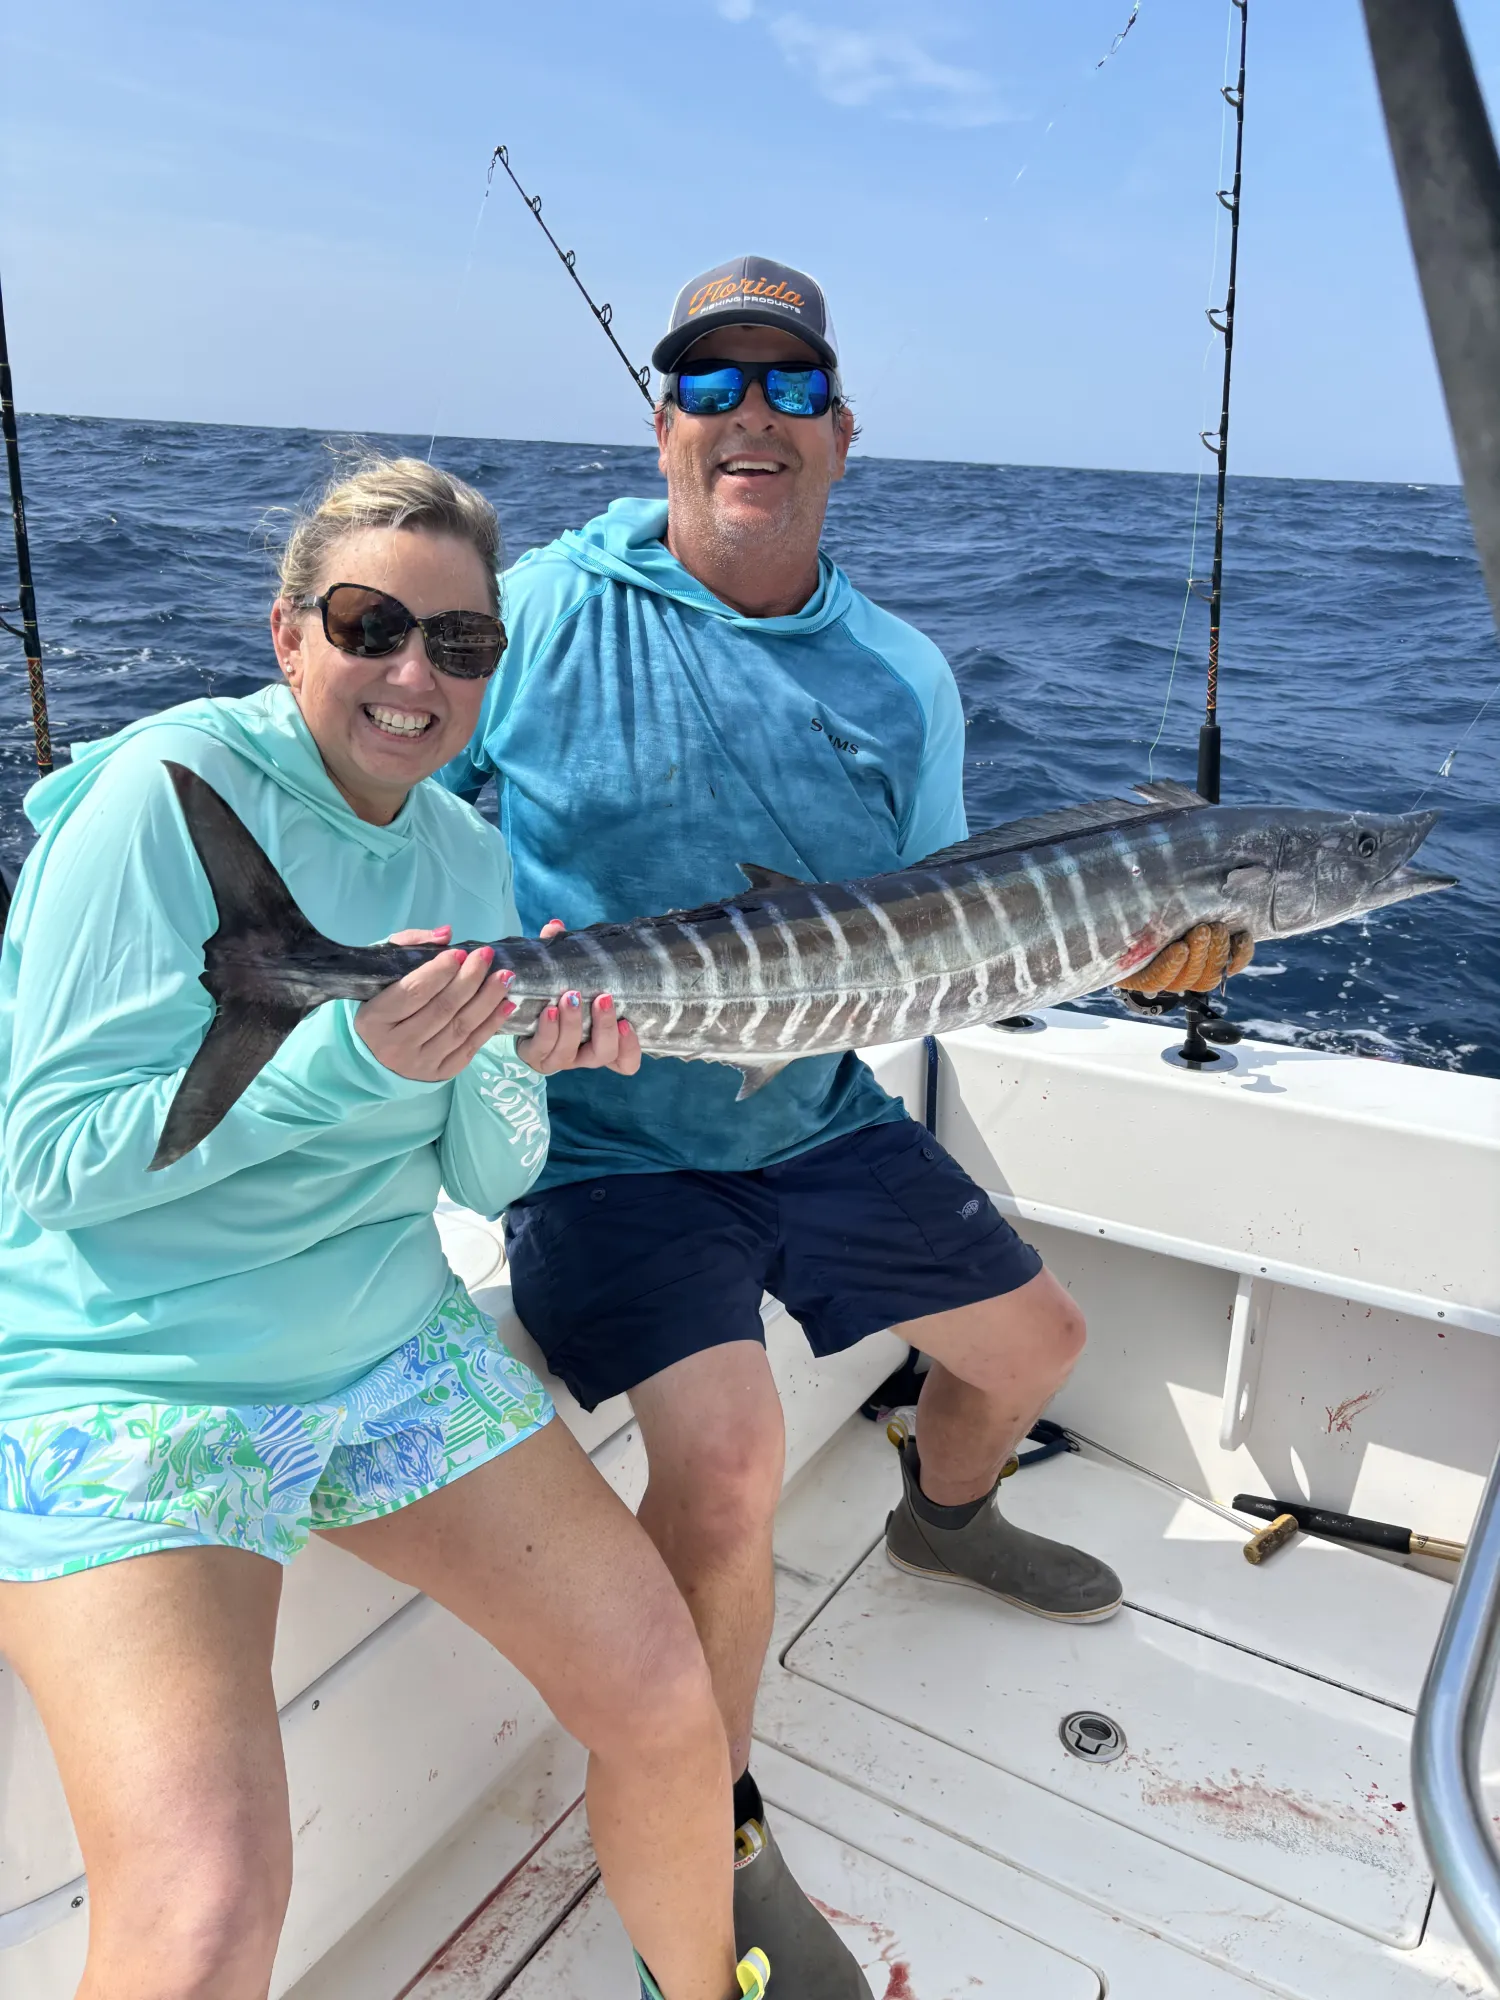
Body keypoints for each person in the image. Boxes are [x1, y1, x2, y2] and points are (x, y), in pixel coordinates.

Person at [441, 257, 1253, 1994]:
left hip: (809, 1100)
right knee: (727, 1463)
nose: (754, 416)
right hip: (602, 1137)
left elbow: (943, 935)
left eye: (792, 386)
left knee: (1039, 1342)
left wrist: (1129, 964)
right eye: (713, 385)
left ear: (843, 430)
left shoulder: (901, 677)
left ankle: (942, 1519)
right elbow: (391, 810)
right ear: (661, 425)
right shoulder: (531, 614)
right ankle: (709, 1832)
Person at [0, 458, 770, 2000]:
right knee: (209, 1906)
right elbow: (47, 1166)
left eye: (461, 644)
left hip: (388, 1355)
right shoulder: (160, 798)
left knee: (669, 1700)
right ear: (291, 635)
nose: (414, 674)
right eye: (371, 624)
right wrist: (344, 1064)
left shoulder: (465, 855)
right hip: (135, 1383)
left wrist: (510, 1058)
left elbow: (483, 1182)